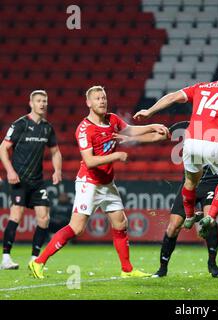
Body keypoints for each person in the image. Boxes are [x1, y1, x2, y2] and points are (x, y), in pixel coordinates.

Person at [28, 85, 169, 279]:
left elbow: (131, 130)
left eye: (104, 97)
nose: (102, 101)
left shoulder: (112, 119)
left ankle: (127, 270)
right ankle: (38, 262)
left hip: (107, 183)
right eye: (97, 98)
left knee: (120, 222)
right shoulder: (84, 129)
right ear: (88, 103)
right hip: (89, 182)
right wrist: (117, 155)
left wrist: (153, 127)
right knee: (77, 227)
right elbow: (90, 161)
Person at [133, 79, 218, 237]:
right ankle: (210, 217)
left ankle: (189, 217)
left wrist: (149, 112)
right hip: (215, 141)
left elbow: (172, 97)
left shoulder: (202, 86)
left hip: (191, 141)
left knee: (190, 181)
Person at [114, 122, 218, 278]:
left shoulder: (216, 128)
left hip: (210, 182)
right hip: (189, 182)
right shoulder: (185, 126)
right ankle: (162, 268)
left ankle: (212, 264)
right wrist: (131, 138)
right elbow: (158, 136)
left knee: (209, 220)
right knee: (173, 226)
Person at [0, 90, 62, 270]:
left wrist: (57, 169)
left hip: (37, 181)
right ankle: (6, 258)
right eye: (39, 101)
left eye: (45, 101)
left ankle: (34, 259)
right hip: (18, 180)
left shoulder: (47, 128)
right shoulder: (20, 124)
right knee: (16, 214)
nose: (42, 104)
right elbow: (3, 148)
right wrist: (10, 171)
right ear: (31, 103)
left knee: (44, 218)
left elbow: (56, 151)